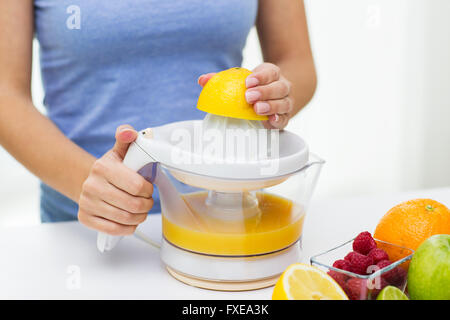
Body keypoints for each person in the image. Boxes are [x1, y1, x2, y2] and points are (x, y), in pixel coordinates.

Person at [0, 0, 316, 235]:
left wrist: (272, 97)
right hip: (83, 232)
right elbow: (6, 96)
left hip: (227, 221)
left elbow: (297, 62)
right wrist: (95, 187)